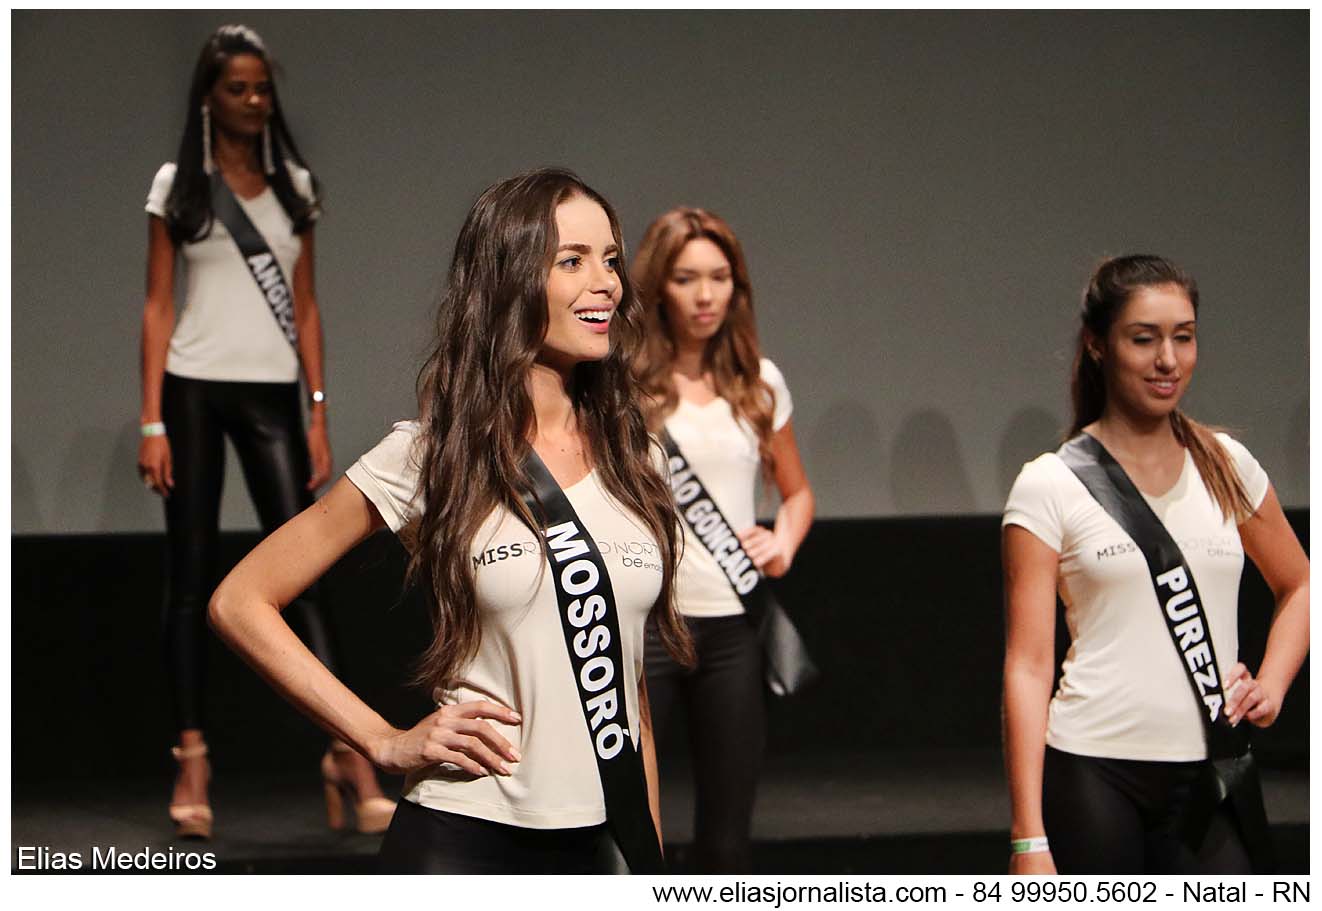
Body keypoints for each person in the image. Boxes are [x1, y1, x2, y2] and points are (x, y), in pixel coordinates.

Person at [208, 168, 695, 873]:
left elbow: (629, 692)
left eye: (611, 259)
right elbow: (239, 601)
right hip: (464, 837)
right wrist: (379, 739)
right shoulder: (433, 454)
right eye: (573, 260)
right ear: (510, 280)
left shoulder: (637, 456)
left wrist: (646, 868)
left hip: (596, 844)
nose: (608, 282)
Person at [137, 24, 391, 839]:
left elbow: (307, 307)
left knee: (307, 575)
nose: (253, 100)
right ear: (209, 96)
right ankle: (193, 755)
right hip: (191, 391)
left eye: (261, 88)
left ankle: (347, 753)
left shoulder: (295, 187)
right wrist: (151, 419)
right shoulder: (180, 186)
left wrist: (318, 409)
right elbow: (157, 306)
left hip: (273, 395)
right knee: (192, 574)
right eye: (237, 88)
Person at [1001, 254, 1309, 874]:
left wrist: (1273, 682)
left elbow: (1300, 582)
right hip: (1092, 768)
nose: (1168, 360)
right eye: (1144, 339)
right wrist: (1028, 838)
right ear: (1098, 345)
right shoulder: (1051, 484)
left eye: (1184, 337)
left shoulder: (1228, 465)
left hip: (1211, 768)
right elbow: (1028, 667)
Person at [631, 207, 815, 872]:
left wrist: (783, 542)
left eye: (719, 277)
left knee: (728, 841)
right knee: (634, 833)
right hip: (644, 623)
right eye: (686, 278)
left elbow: (796, 493)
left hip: (734, 626)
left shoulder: (759, 383)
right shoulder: (620, 385)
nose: (705, 295)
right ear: (657, 287)